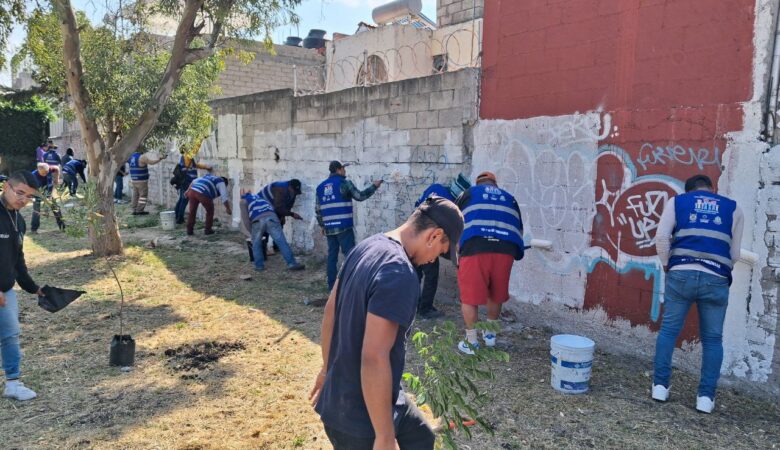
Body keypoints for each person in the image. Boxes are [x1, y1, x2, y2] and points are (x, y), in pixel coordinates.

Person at [310, 196, 463, 450]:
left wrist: (328, 370)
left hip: (355, 399)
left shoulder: (367, 246)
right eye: (441, 252)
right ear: (434, 236)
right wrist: (383, 435)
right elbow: (374, 356)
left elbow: (330, 312)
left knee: (421, 437)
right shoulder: (400, 272)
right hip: (358, 419)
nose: (434, 260)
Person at [651, 174, 744, 414]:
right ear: (712, 190)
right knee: (713, 339)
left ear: (689, 190)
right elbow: (734, 255)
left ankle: (660, 387)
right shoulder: (733, 208)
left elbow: (662, 237)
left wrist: (667, 265)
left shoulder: (678, 202)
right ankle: (705, 398)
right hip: (716, 278)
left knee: (669, 330)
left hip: (681, 273)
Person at [456, 171, 524, 355]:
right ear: (495, 184)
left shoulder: (468, 193)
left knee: (469, 297)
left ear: (478, 183)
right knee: (496, 293)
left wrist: (457, 251)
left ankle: (471, 343)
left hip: (475, 246)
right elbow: (519, 228)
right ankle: (490, 336)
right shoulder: (510, 198)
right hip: (506, 249)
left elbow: (454, 221)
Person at [1, 170, 46, 401]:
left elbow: (18, 260)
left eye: (29, 197)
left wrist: (34, 288)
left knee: (10, 335)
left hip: (6, 292)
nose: (23, 200)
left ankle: (13, 383)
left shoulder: (18, 221)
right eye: (19, 193)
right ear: (6, 186)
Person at [315, 161, 383, 291]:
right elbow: (360, 196)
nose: (345, 171)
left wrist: (322, 225)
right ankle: (353, 286)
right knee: (351, 256)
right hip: (343, 227)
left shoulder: (320, 187)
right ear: (339, 170)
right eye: (344, 169)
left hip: (329, 227)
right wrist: (374, 186)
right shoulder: (344, 183)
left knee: (332, 257)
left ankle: (332, 288)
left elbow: (318, 209)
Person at [413, 173, 471, 319]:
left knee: (416, 273)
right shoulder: (450, 204)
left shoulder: (435, 188)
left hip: (413, 233)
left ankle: (412, 305)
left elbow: (417, 205)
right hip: (428, 240)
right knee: (431, 275)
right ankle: (425, 310)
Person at [241, 189, 305, 272]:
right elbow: (273, 208)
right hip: (272, 217)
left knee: (256, 244)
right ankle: (292, 263)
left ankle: (259, 266)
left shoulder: (243, 201)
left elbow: (245, 219)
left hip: (258, 220)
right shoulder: (260, 198)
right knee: (281, 242)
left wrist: (251, 233)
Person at [259, 178, 305, 254]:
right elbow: (278, 208)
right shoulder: (280, 189)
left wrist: (283, 215)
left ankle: (277, 246)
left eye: (296, 192)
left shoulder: (292, 192)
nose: (295, 193)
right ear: (290, 187)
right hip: (263, 204)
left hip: (273, 205)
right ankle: (262, 249)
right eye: (294, 191)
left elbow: (287, 206)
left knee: (280, 223)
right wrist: (292, 214)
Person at [174, 153, 213, 225]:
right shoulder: (187, 156)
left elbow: (195, 165)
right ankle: (179, 219)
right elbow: (193, 165)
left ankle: (176, 216)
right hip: (187, 182)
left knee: (181, 199)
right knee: (184, 200)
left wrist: (205, 166)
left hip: (184, 182)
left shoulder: (185, 158)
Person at [30, 163, 65, 232]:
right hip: (36, 192)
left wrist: (56, 180)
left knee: (56, 208)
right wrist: (45, 199)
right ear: (38, 170)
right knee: (36, 210)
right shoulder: (33, 176)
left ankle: (62, 227)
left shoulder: (51, 169)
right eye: (43, 173)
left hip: (48, 191)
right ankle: (34, 229)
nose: (45, 174)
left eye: (46, 172)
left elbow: (57, 168)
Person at [128, 149, 163, 215]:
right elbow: (151, 162)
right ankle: (139, 210)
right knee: (143, 196)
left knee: (135, 195)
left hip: (134, 180)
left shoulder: (131, 156)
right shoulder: (142, 157)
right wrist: (159, 159)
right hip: (142, 180)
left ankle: (134, 209)